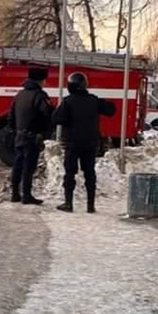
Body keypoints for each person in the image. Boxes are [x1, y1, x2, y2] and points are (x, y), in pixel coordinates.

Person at [52, 72, 116, 213]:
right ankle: (90, 205)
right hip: (90, 143)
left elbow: (56, 119)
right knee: (90, 173)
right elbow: (111, 110)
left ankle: (68, 203)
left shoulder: (68, 101)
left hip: (72, 143)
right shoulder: (93, 100)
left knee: (70, 173)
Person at [9, 67, 53, 205]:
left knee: (18, 165)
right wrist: (45, 133)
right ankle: (26, 195)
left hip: (19, 135)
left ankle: (15, 193)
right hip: (32, 136)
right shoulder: (39, 95)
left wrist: (16, 129)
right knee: (29, 167)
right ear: (41, 80)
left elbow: (11, 116)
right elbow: (47, 114)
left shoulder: (20, 95)